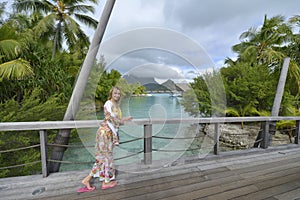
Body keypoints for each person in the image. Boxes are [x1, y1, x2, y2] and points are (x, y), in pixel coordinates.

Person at [77, 86, 132, 192]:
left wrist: (125, 119)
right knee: (106, 157)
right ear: (111, 93)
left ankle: (89, 179)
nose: (117, 95)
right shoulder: (108, 103)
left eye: (119, 94)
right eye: (115, 93)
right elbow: (110, 118)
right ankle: (106, 182)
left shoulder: (116, 105)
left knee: (103, 158)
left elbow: (117, 119)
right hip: (105, 133)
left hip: (109, 134)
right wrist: (120, 121)